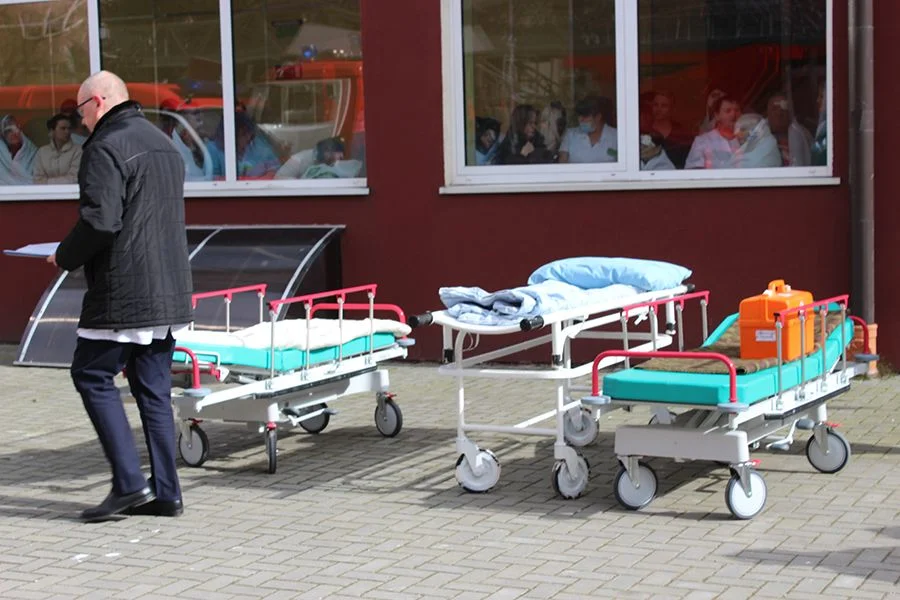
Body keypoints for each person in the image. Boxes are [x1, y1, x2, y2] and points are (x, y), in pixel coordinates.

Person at [47, 71, 193, 522]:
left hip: (125, 292)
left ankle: (130, 484)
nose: (80, 121)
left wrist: (63, 256)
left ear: (99, 101)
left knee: (91, 374)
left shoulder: (105, 147)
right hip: (169, 291)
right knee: (153, 390)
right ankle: (166, 493)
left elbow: (101, 222)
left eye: (81, 110)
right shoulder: (164, 144)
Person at [684, 93, 741, 169]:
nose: (733, 114)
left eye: (737, 110)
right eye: (728, 111)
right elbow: (693, 170)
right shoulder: (702, 141)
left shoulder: (748, 139)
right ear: (717, 115)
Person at [558, 95, 618, 163]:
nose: (580, 119)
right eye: (579, 116)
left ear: (598, 117)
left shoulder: (616, 136)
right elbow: (562, 163)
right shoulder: (570, 135)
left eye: (585, 116)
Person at [765, 91, 812, 167]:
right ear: (768, 112)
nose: (779, 113)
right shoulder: (759, 138)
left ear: (790, 113)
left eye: (783, 109)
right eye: (774, 109)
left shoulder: (804, 135)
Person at [33, 113, 82, 184]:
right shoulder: (42, 152)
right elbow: (37, 180)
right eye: (63, 128)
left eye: (69, 128)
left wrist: (47, 182)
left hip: (70, 191)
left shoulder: (78, 151)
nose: (67, 132)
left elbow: (74, 178)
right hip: (46, 191)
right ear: (52, 131)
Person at [0, 115, 37, 185]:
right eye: (9, 131)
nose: (14, 133)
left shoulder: (32, 152)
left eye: (16, 129)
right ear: (2, 135)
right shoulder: (1, 153)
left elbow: (37, 179)